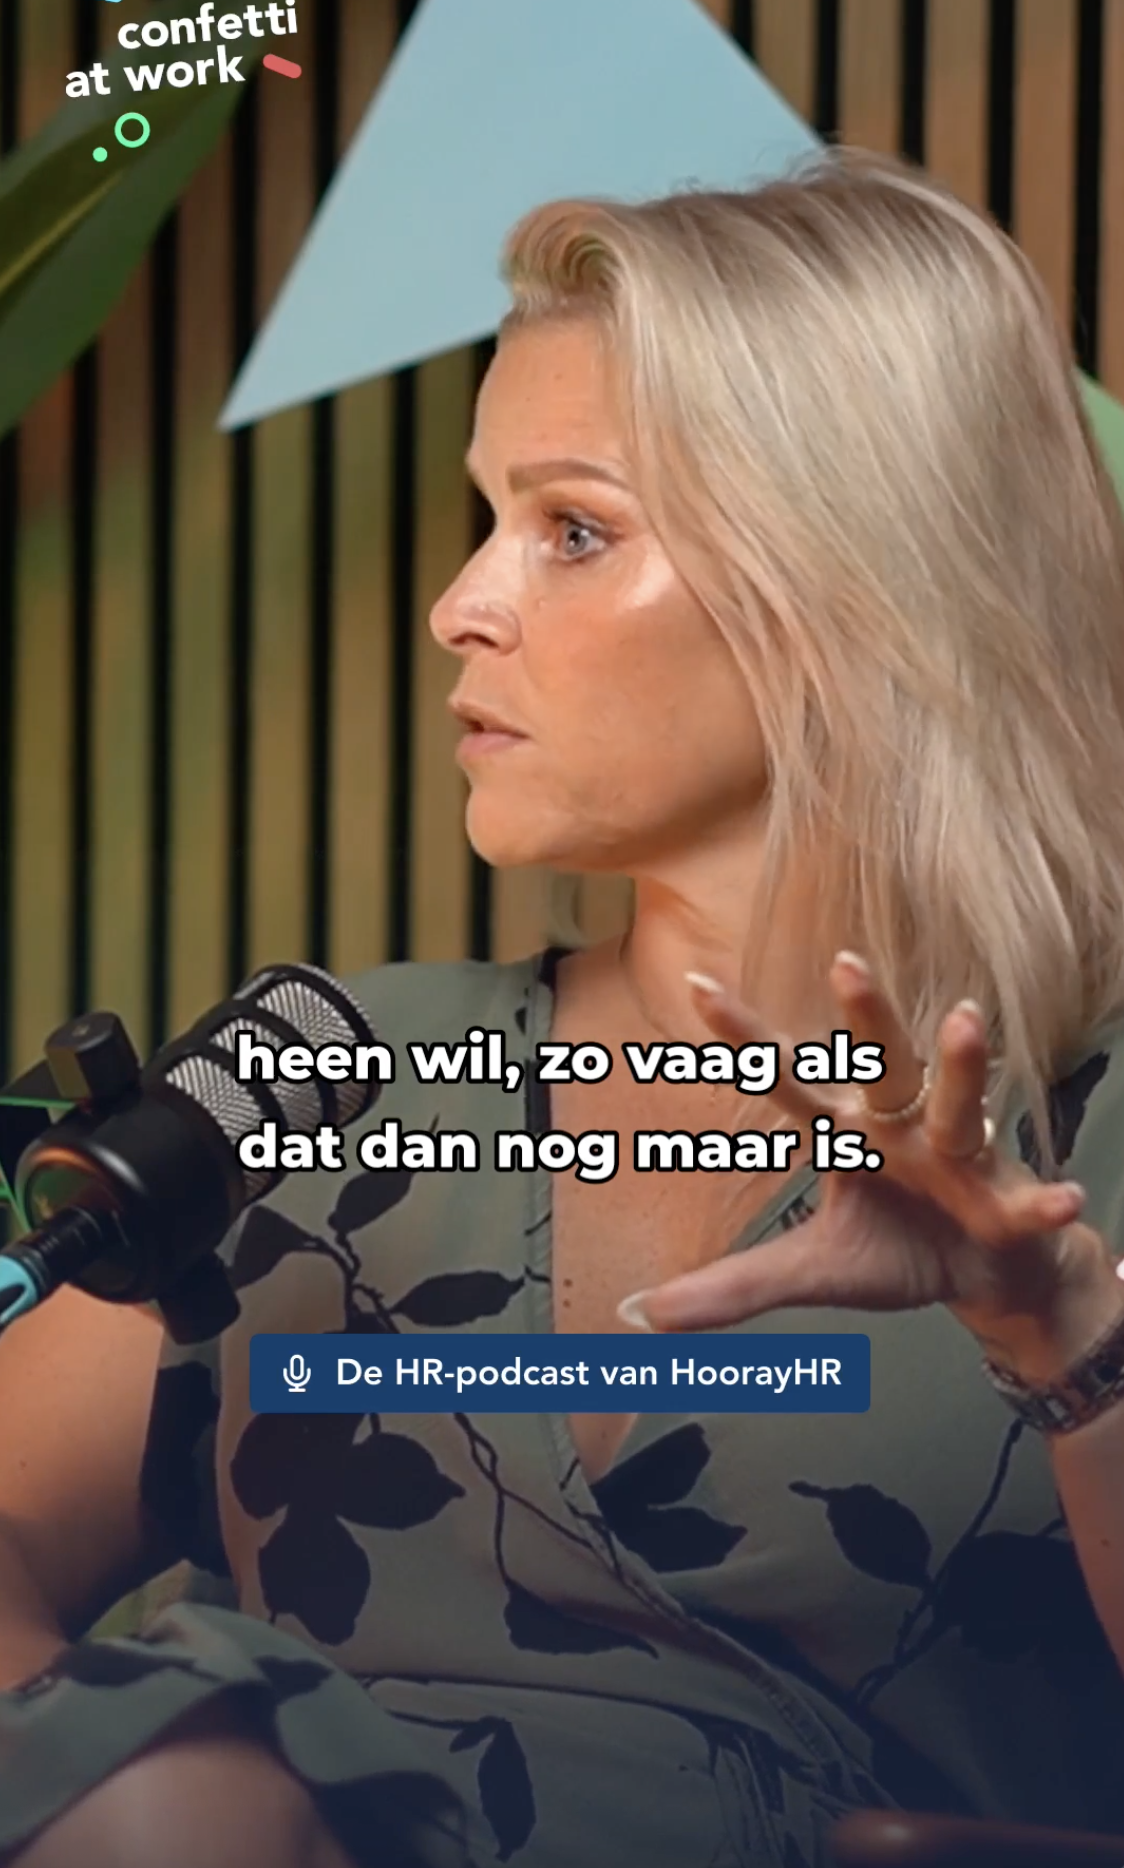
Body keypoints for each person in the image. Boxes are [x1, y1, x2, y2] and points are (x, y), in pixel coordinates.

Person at [2, 146, 1124, 1868]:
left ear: (857, 581)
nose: (460, 605)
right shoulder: (336, 1071)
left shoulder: (1088, 1133)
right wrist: (119, 1791)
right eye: (489, 517)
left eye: (574, 530)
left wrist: (1067, 1346)